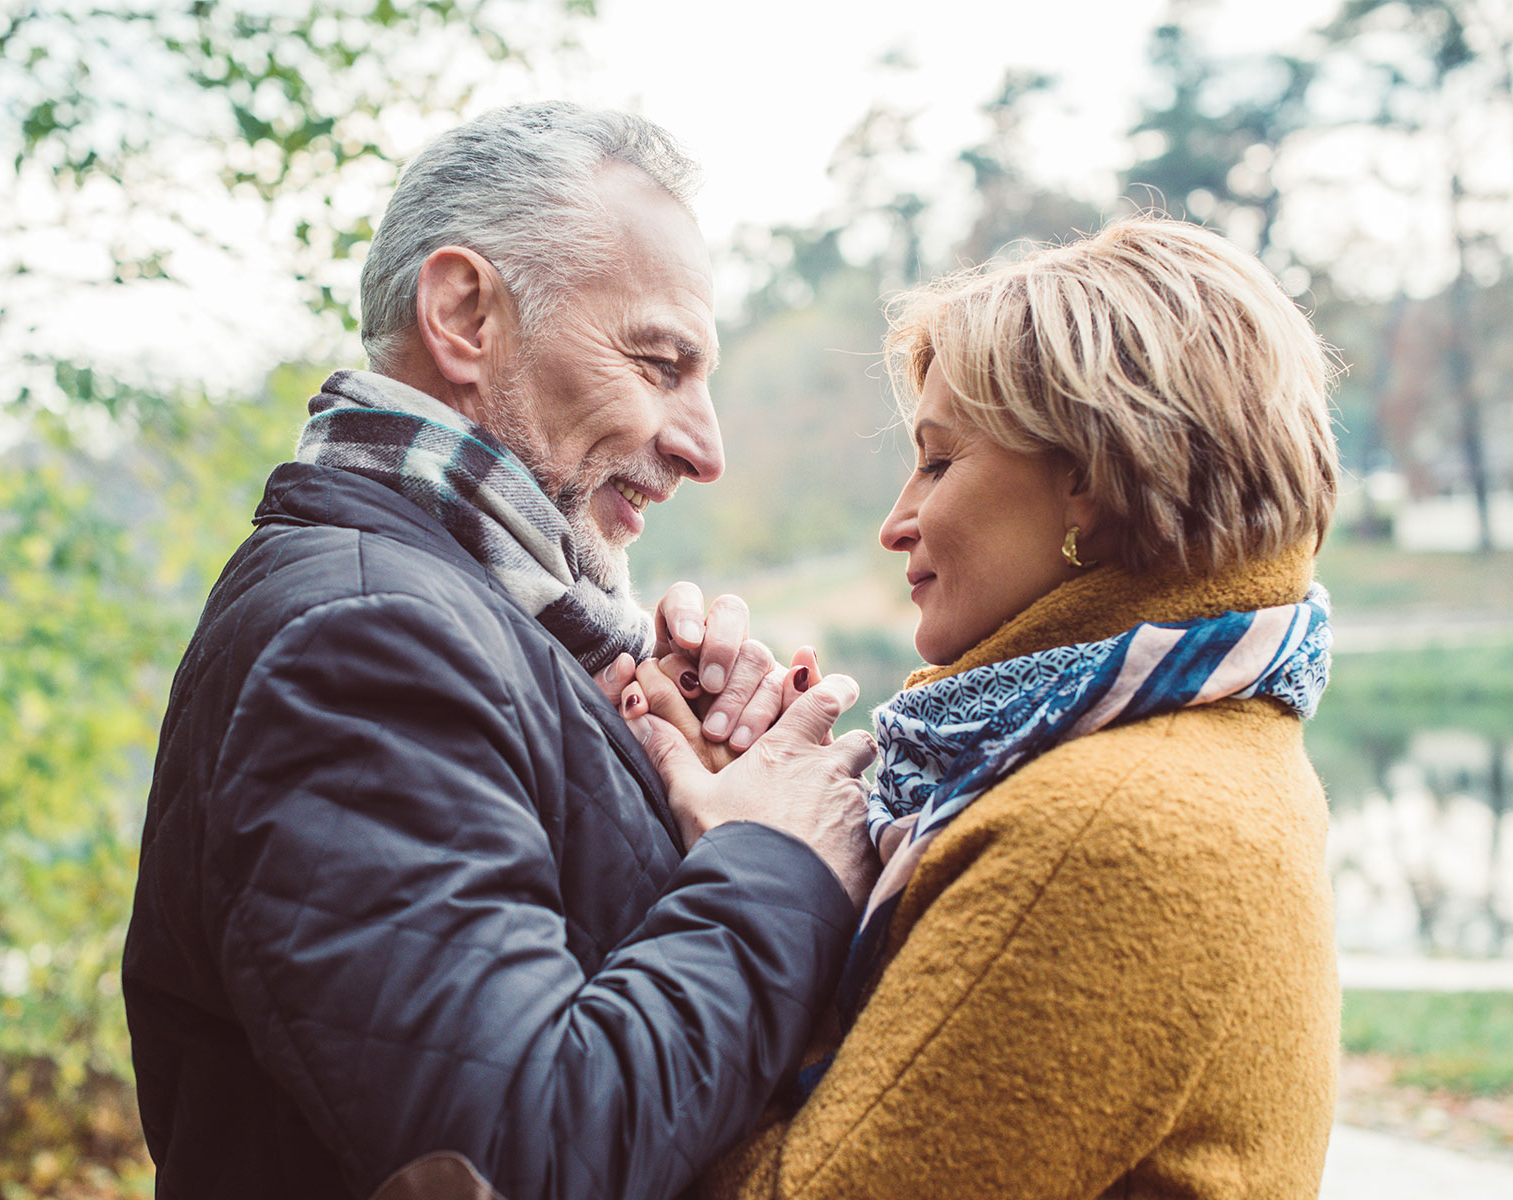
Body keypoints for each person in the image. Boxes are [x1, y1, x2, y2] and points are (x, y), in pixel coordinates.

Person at [120, 102, 878, 1200]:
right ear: (465, 314)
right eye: (660, 364)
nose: (704, 448)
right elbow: (524, 1153)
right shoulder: (365, 644)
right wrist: (777, 863)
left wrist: (679, 785)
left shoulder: (468, 623)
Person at [628, 217, 1342, 1199]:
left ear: (1088, 478)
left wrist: (753, 868)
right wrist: (737, 794)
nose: (894, 524)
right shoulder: (1161, 746)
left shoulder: (1112, 827)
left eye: (936, 461)